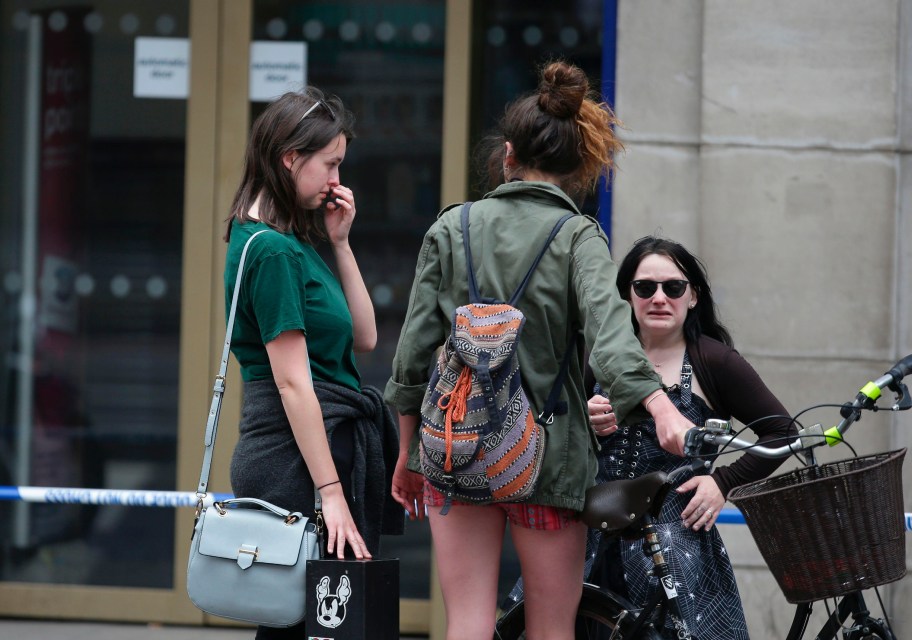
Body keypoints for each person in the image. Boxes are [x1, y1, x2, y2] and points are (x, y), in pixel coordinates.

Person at [385, 61, 697, 640]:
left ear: (508, 154)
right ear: (580, 167)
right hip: (546, 461)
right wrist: (663, 410)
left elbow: (411, 357)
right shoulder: (578, 237)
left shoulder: (452, 228)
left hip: (458, 451)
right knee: (552, 630)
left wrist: (407, 456)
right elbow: (612, 342)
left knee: (469, 625)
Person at [223, 87, 403, 640]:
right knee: (310, 628)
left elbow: (367, 336)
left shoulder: (284, 242)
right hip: (295, 461)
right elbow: (293, 382)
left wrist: (341, 245)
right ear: (290, 159)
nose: (336, 181)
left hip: (304, 451)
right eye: (330, 164)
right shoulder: (272, 251)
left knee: (305, 628)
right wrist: (331, 493)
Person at [580, 235, 796, 639]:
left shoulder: (714, 360)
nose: (659, 298)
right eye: (645, 287)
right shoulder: (603, 357)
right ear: (627, 296)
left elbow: (784, 433)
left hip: (675, 545)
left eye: (673, 287)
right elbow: (557, 433)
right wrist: (583, 422)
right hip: (590, 541)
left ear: (692, 296)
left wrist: (723, 482)